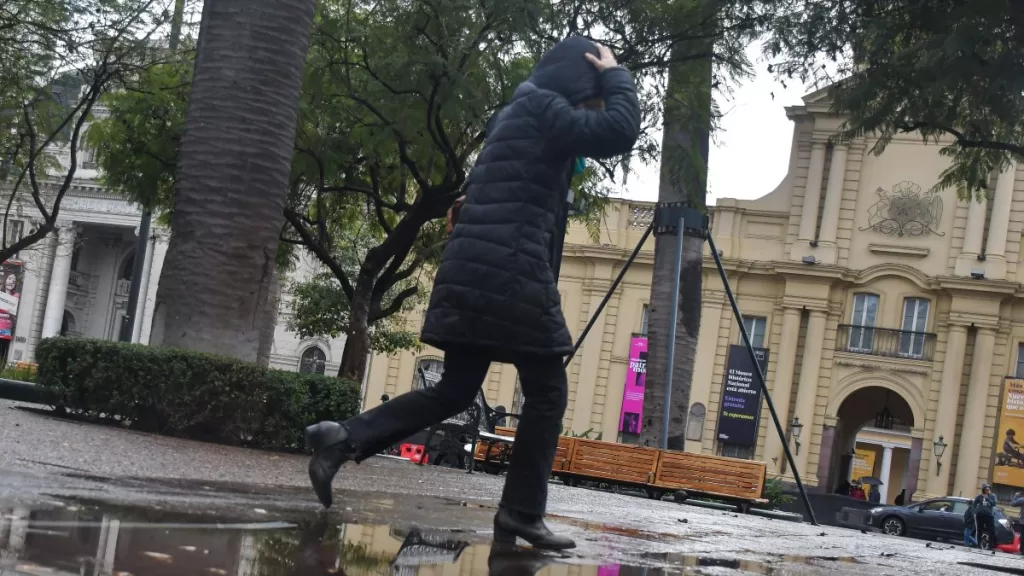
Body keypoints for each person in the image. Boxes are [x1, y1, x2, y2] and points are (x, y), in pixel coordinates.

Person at [303, 36, 641, 551]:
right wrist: (617, 76)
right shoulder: (545, 107)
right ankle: (521, 513)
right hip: (509, 269)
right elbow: (619, 130)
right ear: (581, 80)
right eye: (593, 94)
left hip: (483, 267)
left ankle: (340, 439)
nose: (594, 107)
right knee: (548, 390)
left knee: (455, 389)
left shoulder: (519, 113)